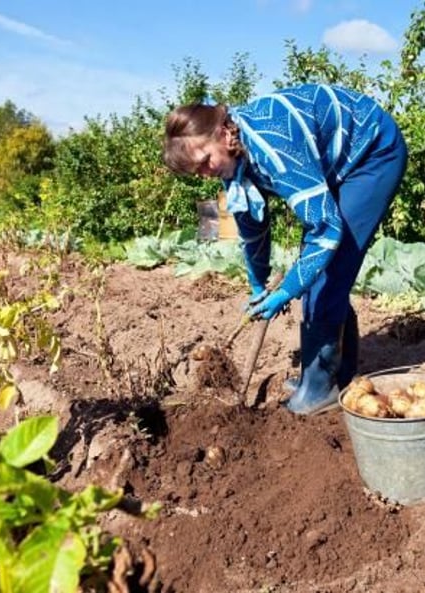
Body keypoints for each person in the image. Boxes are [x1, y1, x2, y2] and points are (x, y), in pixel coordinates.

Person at [163, 84, 407, 414]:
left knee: (328, 269)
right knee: (325, 275)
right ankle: (337, 376)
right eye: (198, 172)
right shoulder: (233, 158)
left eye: (205, 161)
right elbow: (252, 227)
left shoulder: (272, 148)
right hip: (336, 163)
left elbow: (326, 231)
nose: (206, 174)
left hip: (373, 152)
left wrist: (287, 291)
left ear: (222, 132)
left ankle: (319, 390)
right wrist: (257, 285)